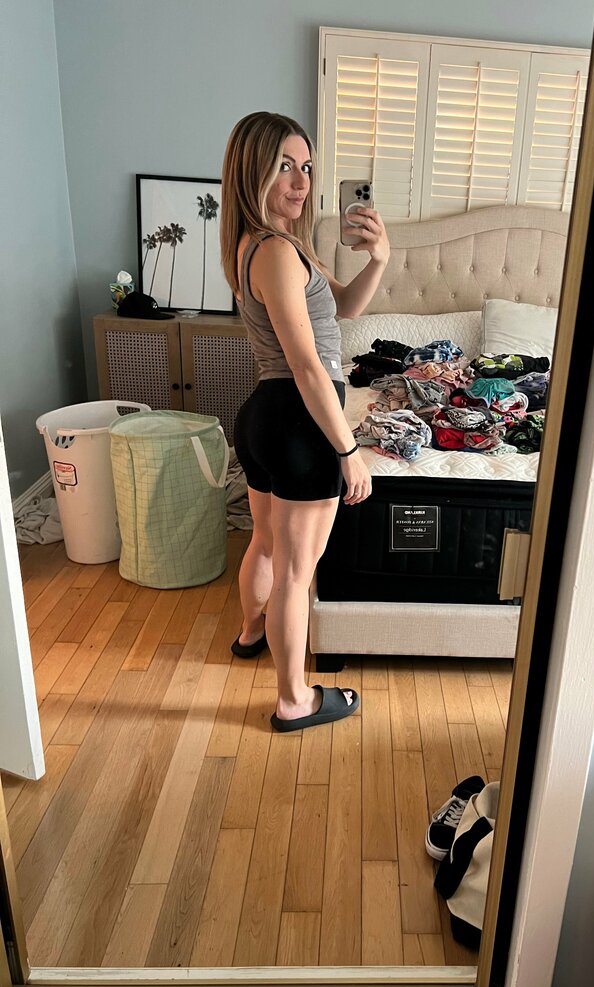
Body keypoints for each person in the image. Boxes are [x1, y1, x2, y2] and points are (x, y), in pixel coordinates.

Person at [220, 112, 389, 732]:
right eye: (284, 166)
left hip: (267, 418)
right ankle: (294, 700)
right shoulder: (273, 251)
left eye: (307, 167)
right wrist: (348, 449)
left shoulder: (263, 246)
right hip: (300, 423)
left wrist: (379, 258)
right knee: (297, 572)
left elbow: (344, 307)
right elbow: (309, 367)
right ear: (253, 172)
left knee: (266, 544)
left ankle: (251, 633)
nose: (301, 182)